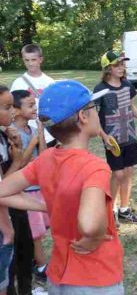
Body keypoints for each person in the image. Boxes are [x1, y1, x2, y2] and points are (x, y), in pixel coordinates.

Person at [0, 80, 125, 293]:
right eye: (92, 108)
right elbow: (89, 225)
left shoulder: (46, 159)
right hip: (95, 277)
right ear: (83, 117)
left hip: (58, 276)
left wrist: (47, 206)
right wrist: (93, 236)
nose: (96, 113)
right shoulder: (95, 168)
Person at [0, 86, 49, 295]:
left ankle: (27, 289)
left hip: (15, 208)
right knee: (8, 271)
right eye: (6, 107)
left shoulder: (7, 136)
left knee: (25, 248)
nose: (11, 112)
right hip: (13, 209)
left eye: (11, 106)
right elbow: (5, 186)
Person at [94, 51, 137, 225]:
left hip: (129, 135)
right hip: (113, 140)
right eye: (116, 65)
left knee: (128, 172)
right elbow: (94, 117)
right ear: (107, 68)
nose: (121, 68)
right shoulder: (100, 89)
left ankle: (124, 210)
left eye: (122, 64)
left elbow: (130, 105)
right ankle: (110, 210)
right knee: (117, 174)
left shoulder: (127, 85)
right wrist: (104, 137)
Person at [10, 44, 55, 146]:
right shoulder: (18, 83)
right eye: (27, 60)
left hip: (49, 135)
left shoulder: (50, 83)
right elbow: (12, 110)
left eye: (33, 60)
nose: (30, 63)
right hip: (26, 135)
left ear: (40, 59)